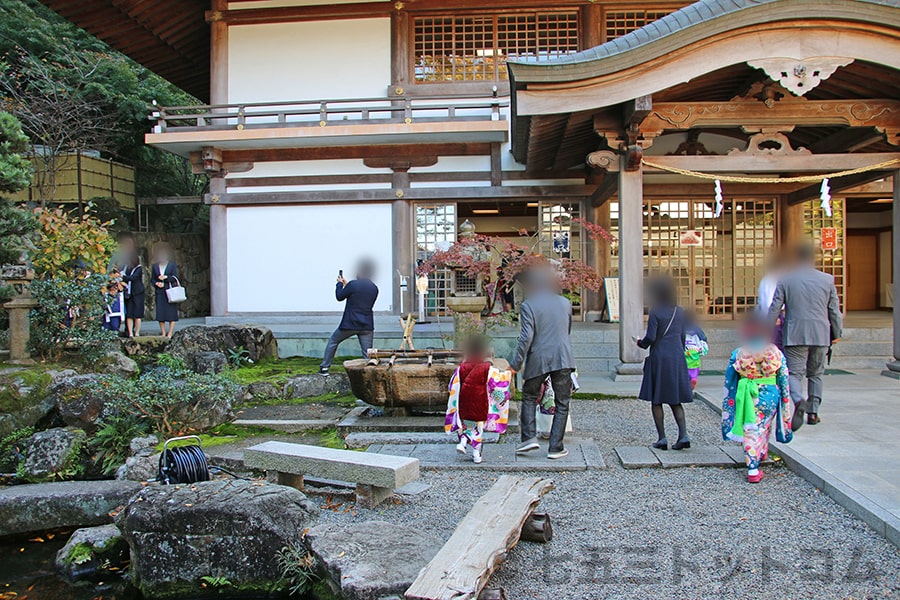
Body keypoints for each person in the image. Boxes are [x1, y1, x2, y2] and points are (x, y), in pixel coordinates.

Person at [766, 243, 842, 428]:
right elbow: (834, 310)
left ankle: (799, 400)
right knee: (816, 374)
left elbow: (775, 307)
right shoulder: (827, 280)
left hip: (795, 333)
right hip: (820, 333)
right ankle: (813, 412)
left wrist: (767, 329)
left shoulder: (786, 280)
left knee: (794, 373)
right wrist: (837, 332)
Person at [509, 266, 575, 460]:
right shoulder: (565, 303)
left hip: (538, 357)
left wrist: (515, 364)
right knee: (562, 403)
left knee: (529, 397)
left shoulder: (529, 305)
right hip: (563, 356)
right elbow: (566, 330)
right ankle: (556, 447)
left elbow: (526, 337)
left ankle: (529, 439)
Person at [722, 314, 793, 483]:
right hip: (769, 394)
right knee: (764, 425)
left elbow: (729, 379)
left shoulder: (739, 352)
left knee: (750, 428)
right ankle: (761, 453)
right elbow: (783, 378)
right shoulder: (775, 352)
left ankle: (752, 468)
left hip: (746, 393)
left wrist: (730, 399)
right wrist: (785, 400)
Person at [636, 275, 693, 450]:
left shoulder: (656, 311)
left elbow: (651, 337)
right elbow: (682, 337)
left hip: (660, 357)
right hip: (677, 357)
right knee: (675, 399)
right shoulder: (680, 311)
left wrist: (640, 343)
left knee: (657, 399)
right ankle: (683, 434)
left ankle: (662, 438)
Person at [444, 335, 512, 464]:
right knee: (477, 428)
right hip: (480, 403)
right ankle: (476, 454)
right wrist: (508, 374)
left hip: (463, 403)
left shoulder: (461, 368)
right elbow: (497, 384)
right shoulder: (487, 369)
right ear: (482, 351)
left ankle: (463, 440)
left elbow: (452, 386)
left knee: (465, 425)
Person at [319, 260, 379, 375]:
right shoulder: (374, 288)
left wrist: (339, 284)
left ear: (361, 272)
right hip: (367, 325)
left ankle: (325, 368)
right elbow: (359, 296)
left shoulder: (353, 285)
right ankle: (370, 375)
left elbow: (339, 296)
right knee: (367, 353)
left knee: (333, 341)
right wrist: (347, 286)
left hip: (350, 323)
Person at [151, 243, 179, 338]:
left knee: (171, 312)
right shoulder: (155, 266)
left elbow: (175, 277)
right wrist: (156, 283)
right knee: (161, 313)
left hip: (169, 291)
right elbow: (153, 279)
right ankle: (163, 332)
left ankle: (170, 332)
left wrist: (166, 278)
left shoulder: (172, 265)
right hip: (160, 292)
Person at [122, 250, 145, 338]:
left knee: (137, 314)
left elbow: (133, 278)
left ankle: (137, 332)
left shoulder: (139, 268)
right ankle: (130, 333)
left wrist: (122, 277)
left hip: (137, 293)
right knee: (129, 314)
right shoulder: (127, 268)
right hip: (129, 293)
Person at [684, 312, 708, 390]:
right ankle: (694, 378)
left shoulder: (681, 328)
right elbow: (703, 339)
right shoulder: (697, 329)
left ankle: (686, 382)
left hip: (685, 353)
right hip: (695, 353)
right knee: (694, 369)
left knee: (685, 369)